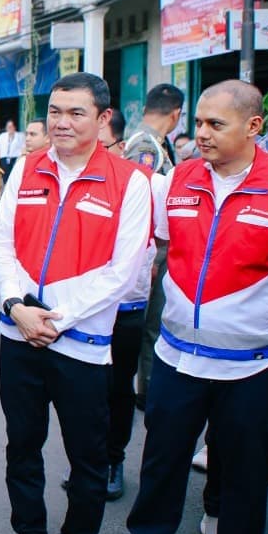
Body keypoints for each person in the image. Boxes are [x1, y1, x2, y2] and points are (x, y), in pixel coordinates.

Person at [107, 80, 268, 534]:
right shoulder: (181, 179)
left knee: (244, 475)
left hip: (255, 367)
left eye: (215, 124)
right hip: (178, 357)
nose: (201, 134)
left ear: (254, 126)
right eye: (198, 122)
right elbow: (160, 250)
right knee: (162, 459)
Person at [0, 72, 152, 534]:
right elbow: (3, 243)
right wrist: (17, 306)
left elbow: (122, 272)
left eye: (76, 113)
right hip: (19, 336)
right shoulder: (26, 167)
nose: (61, 122)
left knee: (87, 458)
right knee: (22, 443)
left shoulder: (131, 182)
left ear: (103, 119)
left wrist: (56, 320)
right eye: (54, 111)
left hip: (82, 347)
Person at [94, 106, 158, 503]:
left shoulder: (148, 183)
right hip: (81, 314)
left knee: (117, 390)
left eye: (100, 145)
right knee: (86, 392)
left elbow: (166, 243)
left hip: (127, 311)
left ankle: (113, 459)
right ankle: (88, 457)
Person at [125, 85, 184, 415]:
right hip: (151, 249)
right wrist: (146, 255)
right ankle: (145, 391)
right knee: (148, 326)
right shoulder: (145, 146)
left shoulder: (156, 143)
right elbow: (140, 201)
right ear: (176, 114)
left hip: (157, 248)